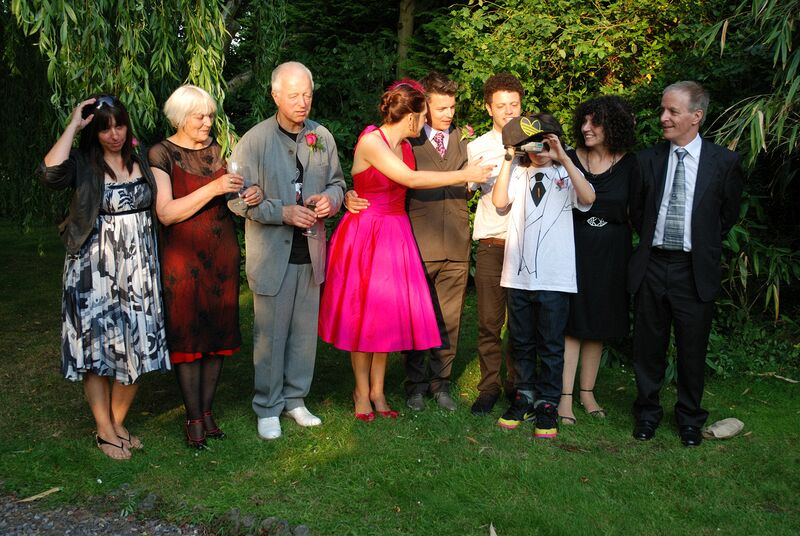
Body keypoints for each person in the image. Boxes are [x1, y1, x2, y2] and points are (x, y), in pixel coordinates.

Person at [318, 80, 491, 421]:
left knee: (384, 316)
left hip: (396, 234)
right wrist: (465, 174)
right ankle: (361, 391)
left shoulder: (407, 147)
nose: (425, 121)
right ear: (411, 117)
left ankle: (378, 391)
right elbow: (410, 180)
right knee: (362, 315)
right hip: (367, 234)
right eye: (423, 115)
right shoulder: (372, 141)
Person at [39, 95, 170, 459]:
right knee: (96, 349)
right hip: (93, 270)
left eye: (119, 125)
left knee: (140, 344)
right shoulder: (82, 164)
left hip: (139, 270)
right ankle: (105, 430)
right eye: (105, 128)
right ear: (94, 133)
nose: (114, 134)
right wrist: (73, 124)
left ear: (128, 126)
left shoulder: (141, 160)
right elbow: (49, 173)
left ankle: (116, 423)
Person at [229, 61, 346, 441]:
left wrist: (330, 200)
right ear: (275, 95)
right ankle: (267, 406)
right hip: (272, 256)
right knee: (270, 336)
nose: (302, 102)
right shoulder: (255, 141)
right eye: (294, 95)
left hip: (310, 253)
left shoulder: (321, 136)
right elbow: (236, 198)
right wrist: (281, 212)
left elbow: (338, 184)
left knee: (303, 335)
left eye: (307, 94)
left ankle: (295, 399)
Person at [629, 81, 743, 447]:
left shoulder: (724, 163)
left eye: (672, 111)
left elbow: (726, 216)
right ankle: (647, 414)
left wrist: (701, 244)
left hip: (694, 269)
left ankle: (690, 419)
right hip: (653, 265)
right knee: (648, 346)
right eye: (663, 110)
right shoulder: (647, 160)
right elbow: (637, 213)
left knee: (692, 348)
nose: (663, 117)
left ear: (696, 116)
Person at [150, 85, 262, 448]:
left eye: (210, 116)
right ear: (180, 117)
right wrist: (214, 189)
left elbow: (235, 195)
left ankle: (208, 410)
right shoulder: (160, 153)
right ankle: (193, 416)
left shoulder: (220, 149)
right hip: (182, 256)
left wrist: (251, 194)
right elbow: (166, 212)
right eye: (199, 116)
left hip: (221, 251)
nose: (207, 122)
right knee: (188, 333)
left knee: (217, 333)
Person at [492, 113, 595, 439]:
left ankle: (548, 402)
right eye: (531, 144)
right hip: (518, 276)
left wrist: (562, 156)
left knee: (551, 343)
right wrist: (510, 157)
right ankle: (524, 396)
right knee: (521, 340)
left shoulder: (566, 173)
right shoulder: (518, 173)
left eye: (544, 142)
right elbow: (498, 201)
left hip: (554, 277)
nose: (538, 150)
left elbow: (588, 198)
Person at [558, 96, 638, 425]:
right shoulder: (569, 157)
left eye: (595, 122)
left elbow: (634, 211)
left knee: (598, 324)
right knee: (572, 323)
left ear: (613, 126)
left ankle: (587, 393)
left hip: (612, 252)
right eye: (584, 121)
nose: (586, 128)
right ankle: (564, 397)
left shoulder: (630, 164)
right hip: (574, 248)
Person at [467, 73, 524, 416]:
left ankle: (517, 385)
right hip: (492, 242)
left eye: (514, 104)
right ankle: (489, 386)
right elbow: (464, 191)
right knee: (489, 322)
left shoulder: (535, 142)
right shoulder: (477, 147)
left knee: (520, 322)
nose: (508, 111)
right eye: (501, 105)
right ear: (489, 108)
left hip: (525, 246)